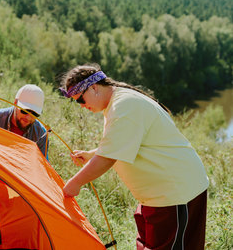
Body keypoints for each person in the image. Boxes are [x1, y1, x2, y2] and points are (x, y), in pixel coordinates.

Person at [59, 63, 209, 250]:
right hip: (156, 198)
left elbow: (108, 158)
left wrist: (74, 183)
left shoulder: (124, 105)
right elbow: (120, 144)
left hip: (176, 194)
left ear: (94, 88)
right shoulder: (116, 104)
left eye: (80, 100)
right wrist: (91, 155)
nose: (82, 107)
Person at [0, 84, 49, 160]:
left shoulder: (40, 135)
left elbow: (42, 166)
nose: (28, 117)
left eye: (34, 114)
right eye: (25, 111)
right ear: (15, 103)